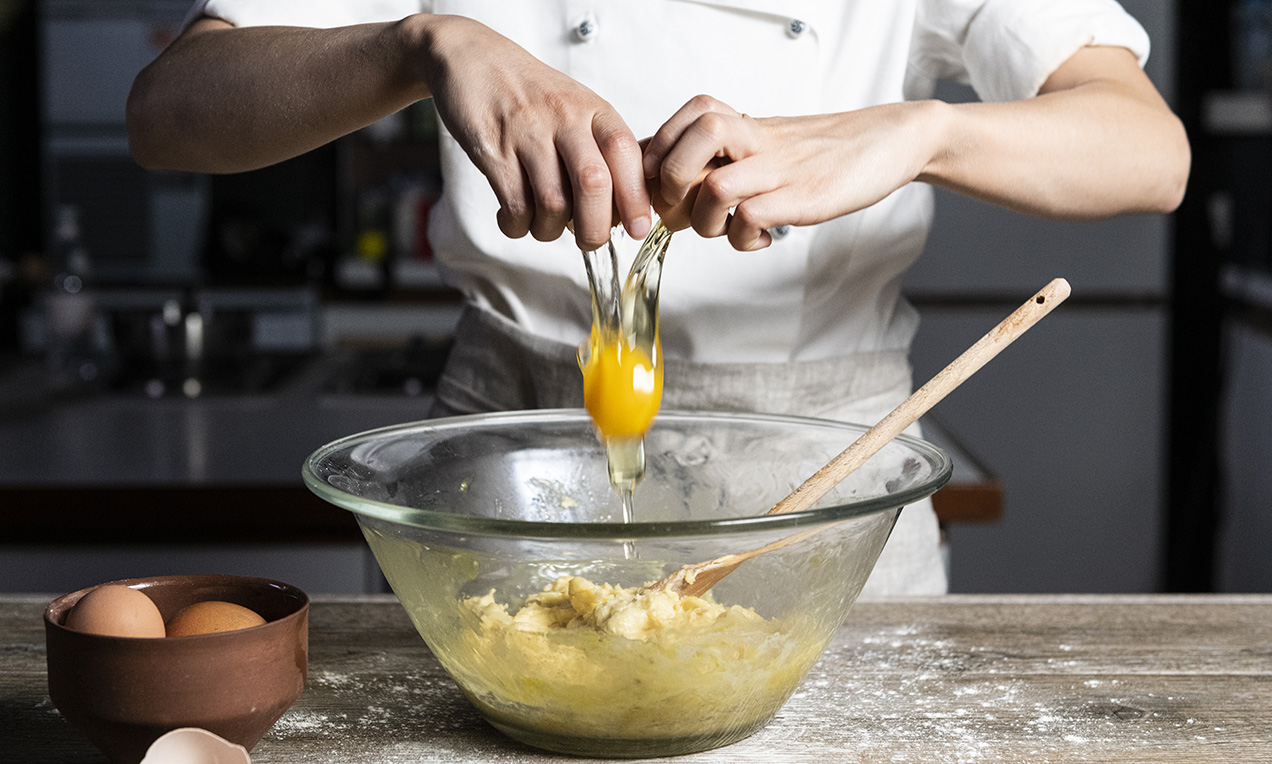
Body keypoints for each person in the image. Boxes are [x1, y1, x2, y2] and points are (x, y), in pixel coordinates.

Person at [126, 1, 1190, 596]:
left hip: (825, 496)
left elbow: (1151, 151)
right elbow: (172, 111)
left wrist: (921, 132)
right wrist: (419, 44)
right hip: (501, 487)